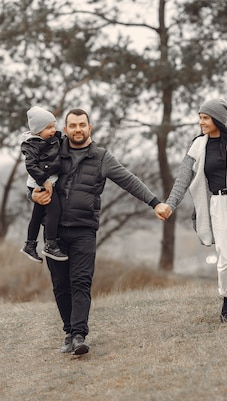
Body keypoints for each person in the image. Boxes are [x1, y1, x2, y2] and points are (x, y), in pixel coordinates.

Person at [31, 108, 162, 355]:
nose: (78, 129)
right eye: (73, 125)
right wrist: (33, 195)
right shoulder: (55, 152)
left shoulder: (101, 158)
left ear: (90, 128)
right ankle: (69, 332)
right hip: (53, 231)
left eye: (82, 125)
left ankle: (79, 335)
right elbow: (35, 180)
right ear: (66, 129)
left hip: (84, 230)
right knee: (60, 285)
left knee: (80, 281)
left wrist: (155, 202)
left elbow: (129, 180)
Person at [154, 99, 227, 327]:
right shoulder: (198, 145)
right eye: (200, 118)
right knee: (226, 260)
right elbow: (183, 178)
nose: (201, 122)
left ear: (217, 119)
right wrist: (170, 204)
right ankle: (226, 297)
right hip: (217, 205)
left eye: (205, 118)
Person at [20, 106, 68, 263]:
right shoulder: (31, 145)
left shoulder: (50, 138)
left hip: (46, 180)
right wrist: (44, 181)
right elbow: (31, 166)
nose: (53, 130)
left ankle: (30, 244)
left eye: (53, 126)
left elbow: (61, 139)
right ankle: (51, 244)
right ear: (38, 130)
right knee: (54, 210)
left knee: (37, 215)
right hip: (40, 183)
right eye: (48, 127)